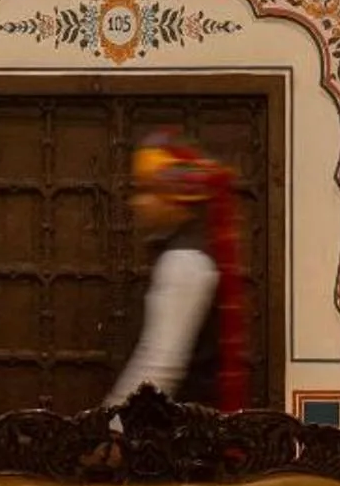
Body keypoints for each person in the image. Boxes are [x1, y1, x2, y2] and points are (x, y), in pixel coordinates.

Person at [103, 130, 248, 410]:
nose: (137, 202)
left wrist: (113, 431)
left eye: (146, 190)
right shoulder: (190, 251)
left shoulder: (185, 260)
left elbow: (161, 363)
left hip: (181, 439)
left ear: (174, 197)